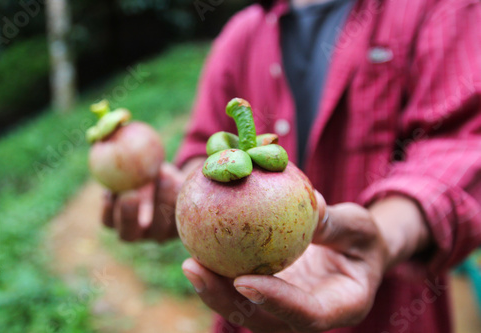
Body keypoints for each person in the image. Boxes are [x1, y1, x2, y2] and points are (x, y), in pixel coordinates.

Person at [102, 0, 481, 332]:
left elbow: (461, 144)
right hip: (248, 312)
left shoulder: (440, 7)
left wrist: (382, 238)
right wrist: (185, 201)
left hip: (393, 311)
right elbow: (201, 145)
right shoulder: (240, 35)